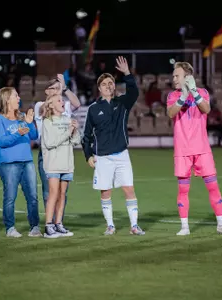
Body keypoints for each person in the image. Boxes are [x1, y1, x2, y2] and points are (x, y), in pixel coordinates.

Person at [167, 61, 222, 236]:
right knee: (183, 190)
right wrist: (183, 95)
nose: (173, 78)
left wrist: (193, 91)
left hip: (202, 149)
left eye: (177, 75)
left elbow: (206, 109)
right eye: (174, 76)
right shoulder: (172, 96)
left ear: (187, 77)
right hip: (182, 150)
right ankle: (184, 227)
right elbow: (171, 113)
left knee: (213, 187)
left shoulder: (203, 92)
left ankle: (221, 224)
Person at [82, 56, 145, 236]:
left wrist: (127, 73)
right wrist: (88, 155)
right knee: (105, 191)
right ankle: (110, 225)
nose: (108, 86)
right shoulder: (93, 109)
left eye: (111, 83)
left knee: (129, 189)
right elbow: (86, 136)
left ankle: (134, 226)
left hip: (122, 155)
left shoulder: (122, 103)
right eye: (104, 84)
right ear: (99, 88)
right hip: (102, 157)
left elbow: (134, 93)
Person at [0, 87, 41, 238]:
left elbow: (34, 136)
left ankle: (35, 227)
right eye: (16, 96)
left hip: (27, 162)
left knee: (32, 196)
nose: (19, 98)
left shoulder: (22, 116)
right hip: (9, 164)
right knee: (10, 197)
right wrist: (18, 133)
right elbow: (2, 141)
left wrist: (30, 123)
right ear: (7, 99)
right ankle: (10, 228)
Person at [34, 74, 80, 211]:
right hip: (48, 151)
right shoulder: (40, 105)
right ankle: (50, 223)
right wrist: (56, 100)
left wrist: (65, 88)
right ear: (46, 91)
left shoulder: (64, 105)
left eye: (57, 88)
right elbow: (46, 112)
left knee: (62, 192)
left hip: (64, 152)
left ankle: (58, 222)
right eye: (53, 89)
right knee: (49, 191)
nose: (56, 91)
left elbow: (77, 104)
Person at [41, 94, 81, 238]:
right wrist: (68, 132)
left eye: (62, 100)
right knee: (53, 193)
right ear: (51, 105)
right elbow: (51, 142)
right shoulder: (47, 122)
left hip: (67, 164)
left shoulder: (67, 119)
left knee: (62, 194)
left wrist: (75, 130)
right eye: (58, 100)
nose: (62, 102)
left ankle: (59, 224)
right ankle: (48, 226)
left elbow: (76, 141)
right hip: (53, 164)